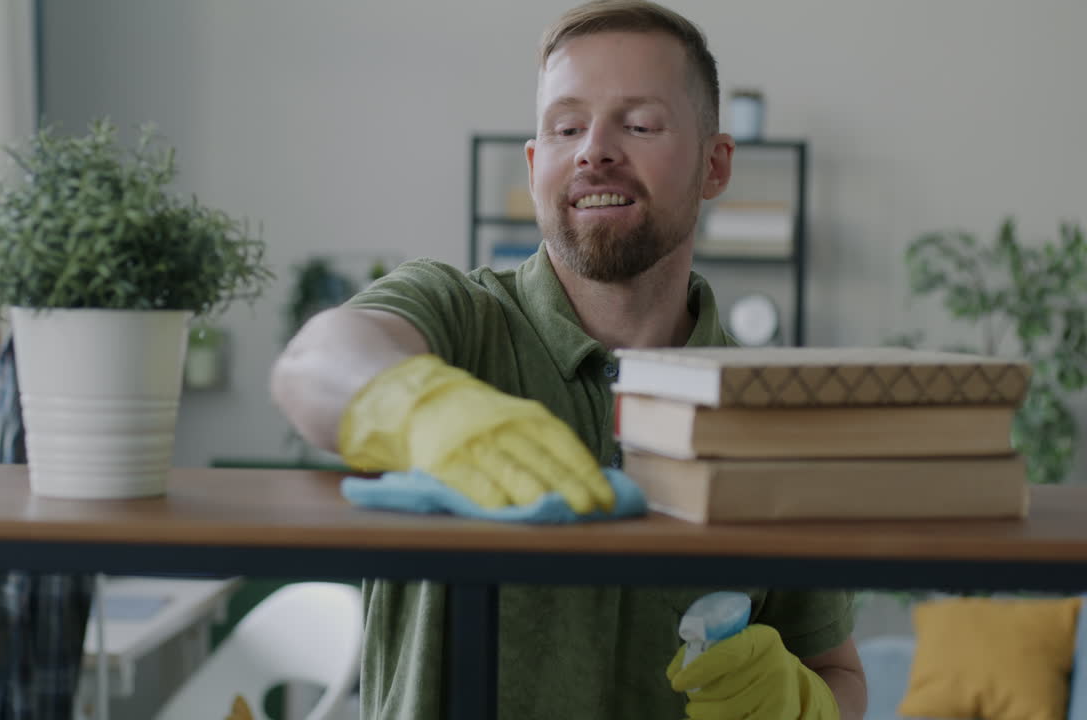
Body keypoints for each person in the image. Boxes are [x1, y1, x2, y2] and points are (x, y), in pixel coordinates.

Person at [270, 1, 867, 718]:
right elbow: (313, 362)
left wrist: (804, 706)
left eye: (640, 124)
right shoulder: (457, 318)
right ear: (535, 166)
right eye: (566, 127)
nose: (594, 150)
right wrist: (424, 408)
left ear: (715, 165)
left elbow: (837, 671)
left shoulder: (766, 410)